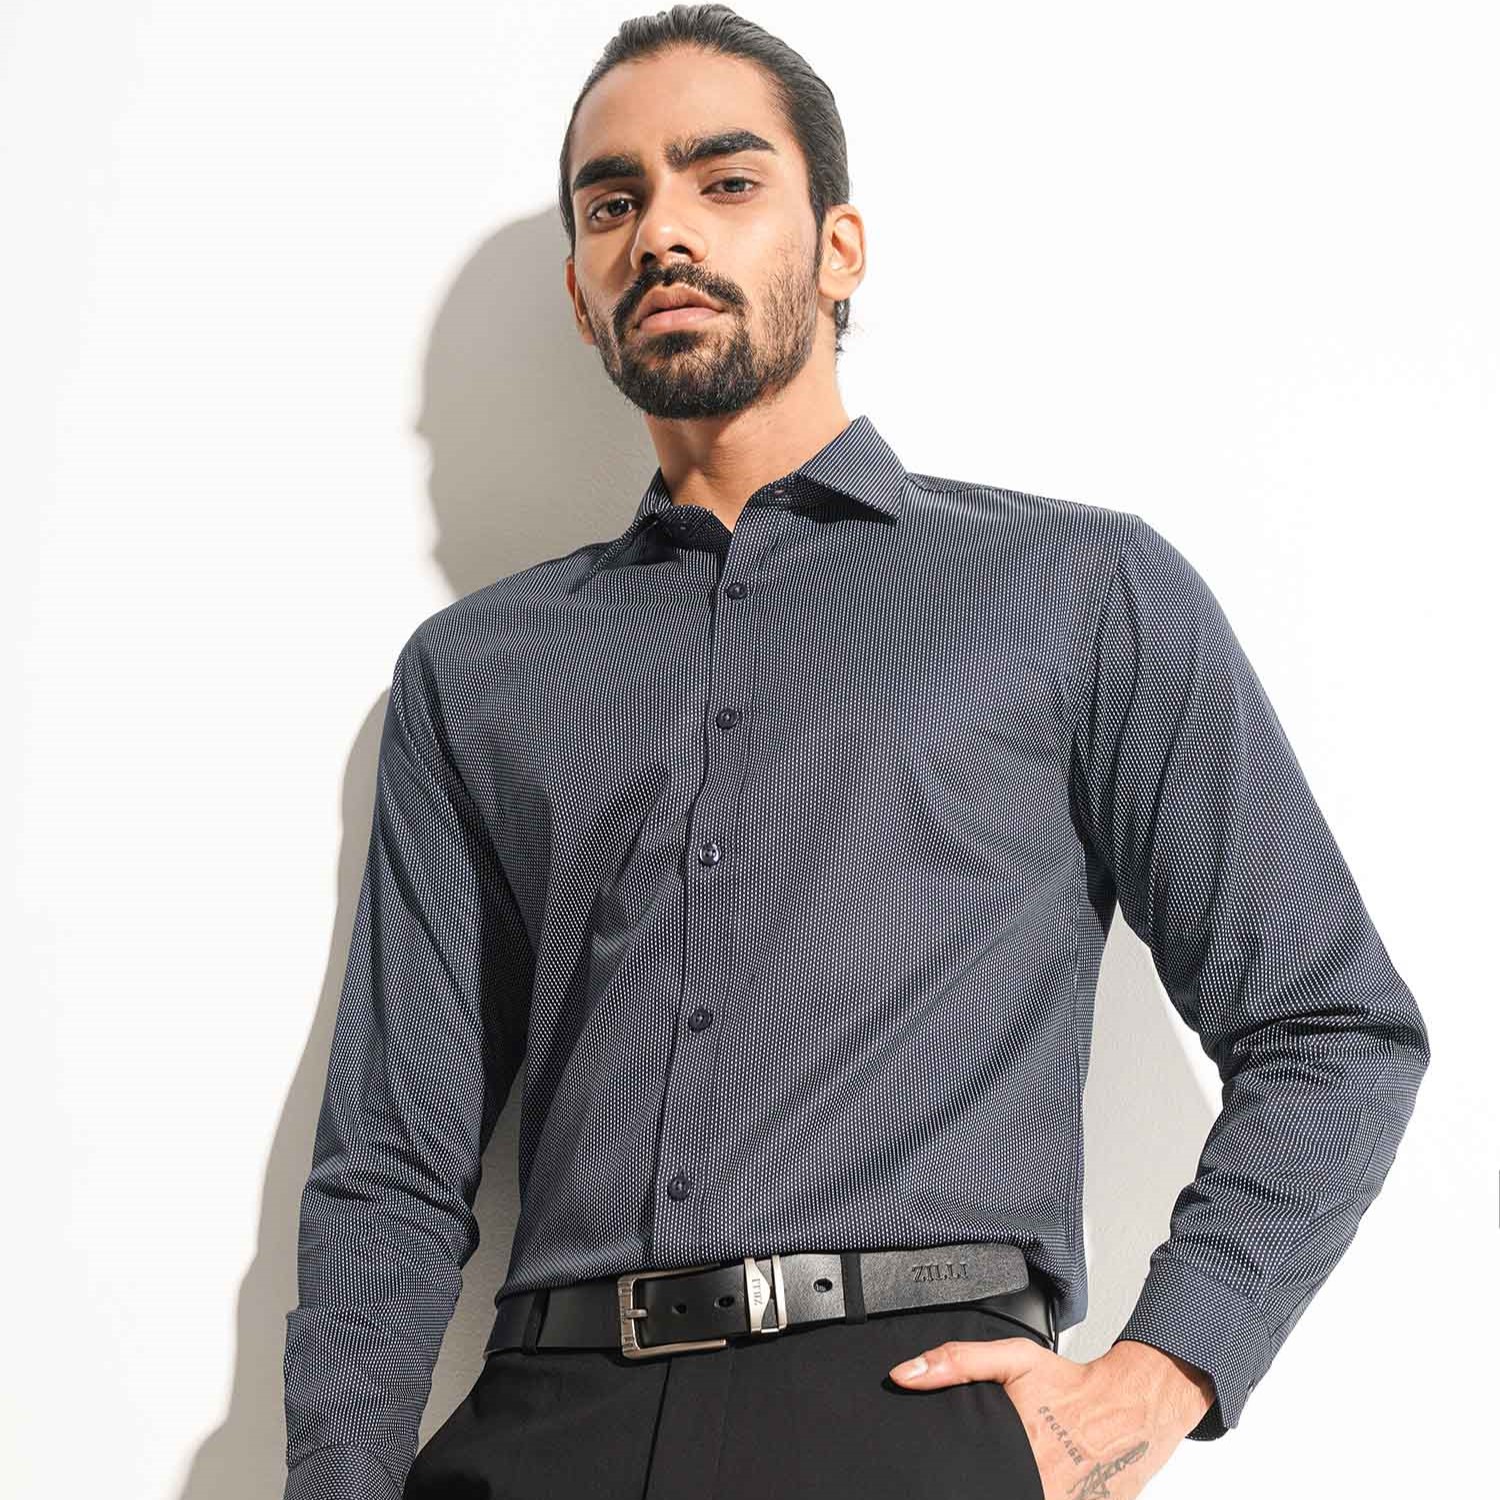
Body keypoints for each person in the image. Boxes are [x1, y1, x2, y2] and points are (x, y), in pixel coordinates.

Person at [281, 6, 1431, 1498]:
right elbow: (390, 1161)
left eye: (725, 180)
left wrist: (1163, 1374)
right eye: (613, 204)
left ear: (839, 247)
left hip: (903, 1412)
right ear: (580, 292)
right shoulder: (482, 668)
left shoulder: (1076, 592)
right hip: (547, 1423)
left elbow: (1332, 1025)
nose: (662, 232)